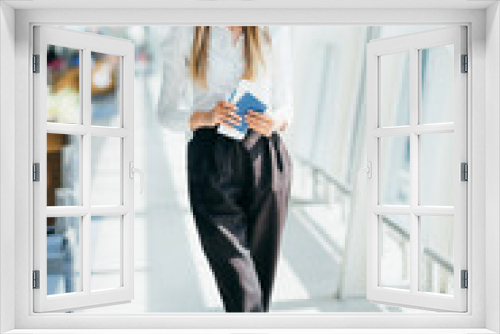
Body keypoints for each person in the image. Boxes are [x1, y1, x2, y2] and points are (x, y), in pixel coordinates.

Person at [156, 25, 294, 312]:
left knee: (260, 285)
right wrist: (204, 116)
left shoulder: (273, 27)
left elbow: (286, 106)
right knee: (242, 288)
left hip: (265, 155)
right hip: (210, 157)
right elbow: (165, 112)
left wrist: (275, 120)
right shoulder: (187, 32)